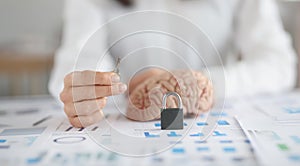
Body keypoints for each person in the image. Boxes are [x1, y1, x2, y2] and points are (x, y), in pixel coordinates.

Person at [49, 0, 297, 127]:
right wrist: (85, 91)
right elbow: (79, 59)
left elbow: (278, 63)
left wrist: (204, 85)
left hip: (214, 121)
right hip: (128, 129)